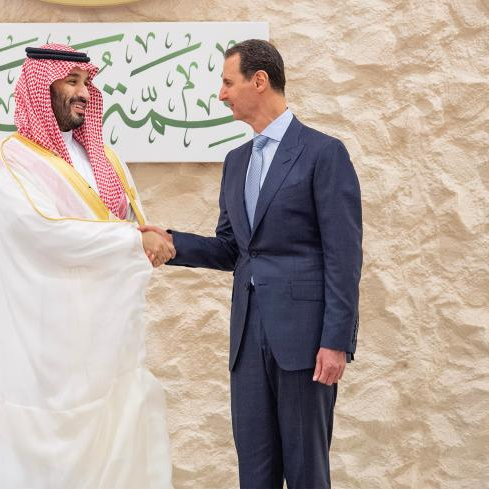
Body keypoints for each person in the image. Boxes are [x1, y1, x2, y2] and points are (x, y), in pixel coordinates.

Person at [142, 39, 362, 489]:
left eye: (227, 82)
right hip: (247, 340)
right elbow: (233, 249)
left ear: (259, 81)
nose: (221, 94)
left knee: (306, 474)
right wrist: (172, 243)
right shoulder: (236, 161)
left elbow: (344, 256)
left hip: (305, 344)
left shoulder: (323, 153)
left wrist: (336, 341)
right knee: (255, 475)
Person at [0, 44, 175, 489]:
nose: (84, 93)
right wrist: (131, 241)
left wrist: (142, 236)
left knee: (114, 452)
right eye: (72, 82)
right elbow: (42, 230)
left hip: (107, 342)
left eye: (87, 84)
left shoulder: (104, 157)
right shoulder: (8, 161)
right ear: (43, 88)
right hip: (44, 349)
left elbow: (128, 219)